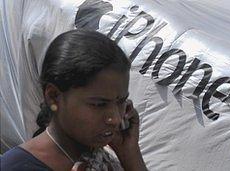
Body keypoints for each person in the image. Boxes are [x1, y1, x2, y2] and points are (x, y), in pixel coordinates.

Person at [1, 29, 148, 171]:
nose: (115, 119)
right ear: (53, 97)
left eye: (121, 102)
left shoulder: (103, 156)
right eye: (99, 104)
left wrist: (130, 154)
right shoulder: (15, 166)